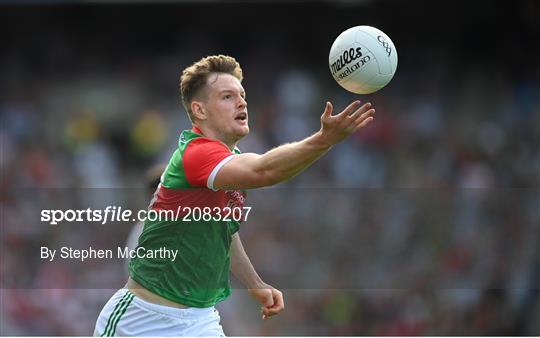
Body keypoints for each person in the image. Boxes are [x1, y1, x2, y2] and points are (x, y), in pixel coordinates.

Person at [94, 54, 375, 336]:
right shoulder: (197, 153)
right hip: (141, 321)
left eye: (242, 95)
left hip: (198, 321)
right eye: (227, 96)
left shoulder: (228, 164)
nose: (242, 102)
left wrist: (255, 283)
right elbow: (264, 172)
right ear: (200, 110)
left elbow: (223, 231)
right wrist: (323, 140)